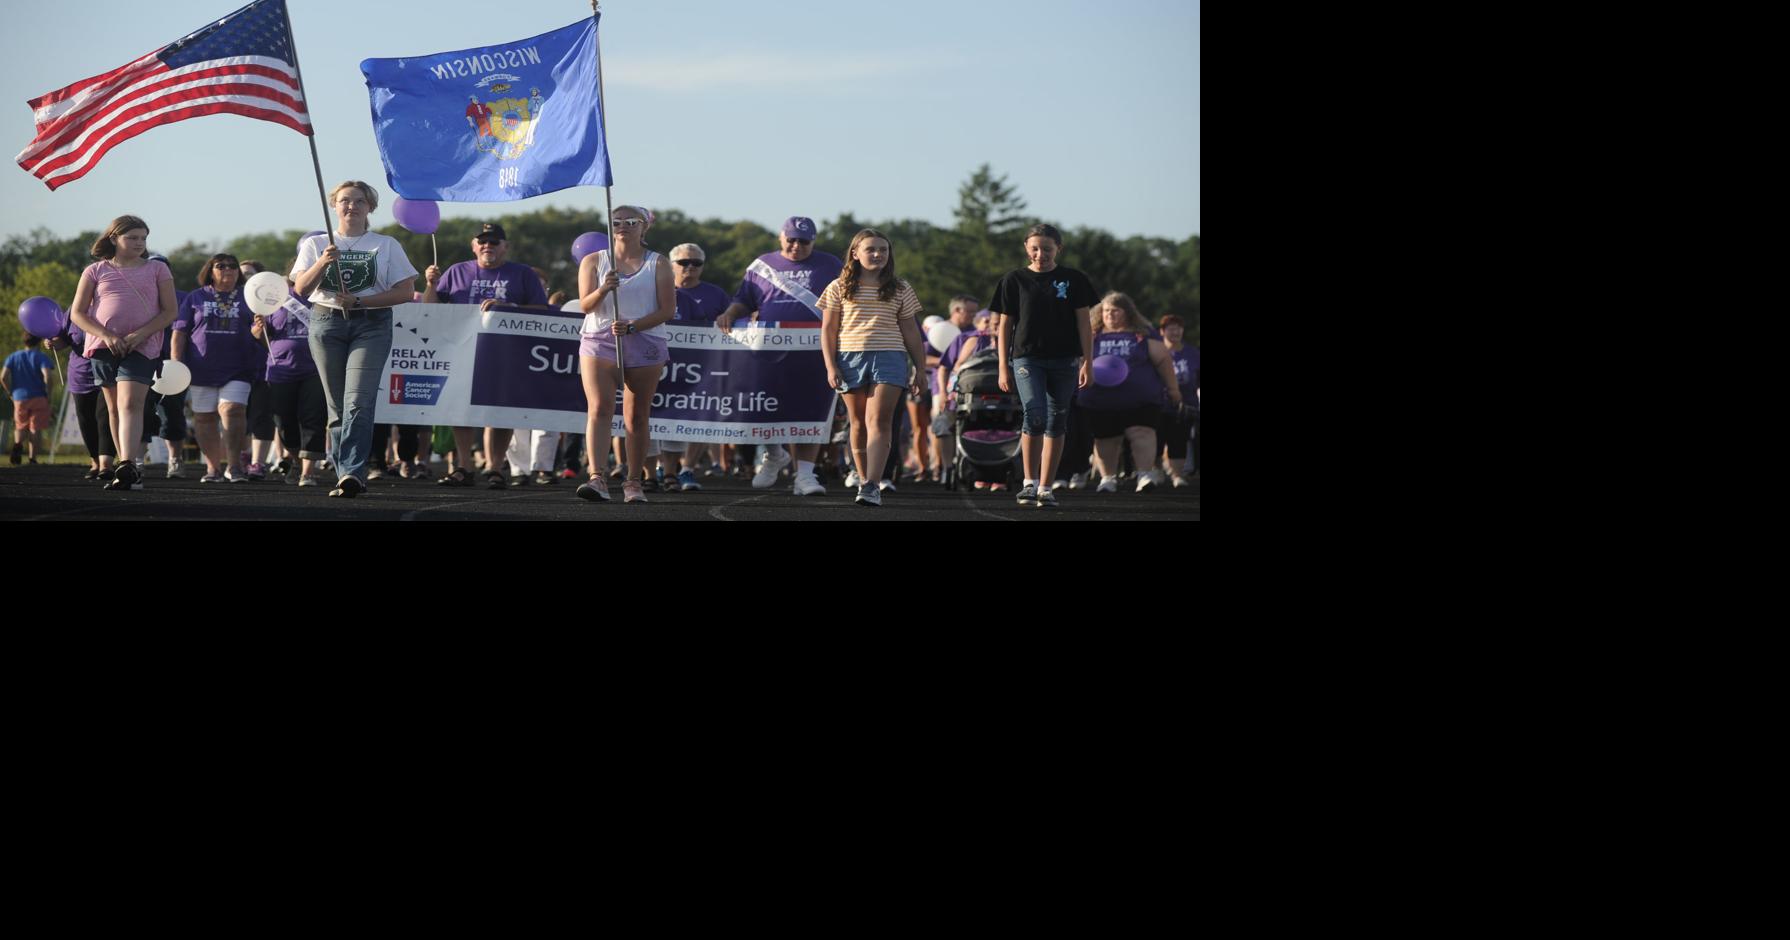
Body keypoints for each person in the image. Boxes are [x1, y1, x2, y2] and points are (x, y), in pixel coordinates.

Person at [292, 181, 419, 498]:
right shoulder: (317, 243)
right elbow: (301, 289)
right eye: (345, 200)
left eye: (359, 201)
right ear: (334, 205)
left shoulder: (386, 244)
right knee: (336, 407)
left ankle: (352, 471)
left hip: (371, 325)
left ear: (370, 207)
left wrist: (361, 301)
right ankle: (344, 473)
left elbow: (405, 291)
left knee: (358, 401)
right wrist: (323, 261)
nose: (352, 206)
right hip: (327, 322)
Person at [715, 216, 840, 496]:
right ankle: (774, 453)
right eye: (791, 239)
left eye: (804, 241)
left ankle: (804, 475)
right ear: (781, 238)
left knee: (809, 411)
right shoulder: (762, 265)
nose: (797, 246)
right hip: (768, 349)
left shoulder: (830, 264)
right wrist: (730, 314)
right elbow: (744, 300)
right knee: (763, 404)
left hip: (814, 349)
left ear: (813, 242)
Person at [422, 222, 551, 488]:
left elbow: (542, 309)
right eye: (482, 241)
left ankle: (495, 468)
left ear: (506, 246)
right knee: (460, 410)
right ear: (473, 246)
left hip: (507, 353)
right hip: (461, 350)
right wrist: (431, 285)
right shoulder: (457, 271)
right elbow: (430, 309)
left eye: (494, 242)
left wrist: (508, 307)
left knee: (500, 411)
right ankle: (464, 467)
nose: (487, 246)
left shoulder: (523, 273)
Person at [66, 215, 179, 491]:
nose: (139, 243)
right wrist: (106, 335)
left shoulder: (157, 269)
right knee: (115, 407)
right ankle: (124, 468)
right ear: (114, 238)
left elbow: (170, 311)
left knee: (130, 403)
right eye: (132, 238)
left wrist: (139, 335)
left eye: (143, 238)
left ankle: (129, 464)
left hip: (142, 346)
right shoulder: (94, 270)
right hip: (103, 346)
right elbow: (78, 313)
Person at [818, 229, 928, 508]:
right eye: (871, 249)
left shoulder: (901, 287)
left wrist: (920, 369)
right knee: (857, 422)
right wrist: (830, 366)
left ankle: (872, 485)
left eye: (883, 249)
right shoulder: (837, 286)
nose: (878, 254)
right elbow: (828, 329)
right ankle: (863, 476)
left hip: (889, 356)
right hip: (849, 357)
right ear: (855, 254)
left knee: (879, 420)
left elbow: (911, 331)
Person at [990, 223, 1096, 509]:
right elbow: (1005, 325)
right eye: (1035, 249)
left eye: (1047, 249)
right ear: (1026, 248)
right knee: (1034, 415)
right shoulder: (1014, 280)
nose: (1040, 254)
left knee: (1056, 421)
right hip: (1027, 358)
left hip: (1065, 359)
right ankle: (1029, 482)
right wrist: (1003, 366)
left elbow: (1084, 324)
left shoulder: (1074, 279)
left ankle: (1046, 488)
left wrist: (1087, 362)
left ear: (1058, 248)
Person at [575, 205, 675, 504]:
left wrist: (633, 326)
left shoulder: (659, 263)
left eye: (631, 221)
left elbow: (667, 310)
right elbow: (585, 306)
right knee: (599, 408)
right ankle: (597, 477)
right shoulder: (594, 261)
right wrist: (604, 288)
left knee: (636, 415)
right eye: (616, 221)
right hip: (599, 338)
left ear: (644, 226)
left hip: (644, 339)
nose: (623, 226)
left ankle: (634, 480)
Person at [1079, 292, 1181, 492]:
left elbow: (1163, 360)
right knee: (1105, 438)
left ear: (1127, 312)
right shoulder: (1091, 335)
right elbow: (1079, 361)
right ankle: (1108, 478)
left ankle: (1144, 474)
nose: (1110, 314)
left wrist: (1173, 389)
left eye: (1115, 310)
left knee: (1142, 433)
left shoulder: (1142, 334)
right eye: (1106, 310)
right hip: (1100, 400)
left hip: (1140, 400)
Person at [173, 254, 259, 482]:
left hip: (239, 367)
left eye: (232, 266)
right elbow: (179, 332)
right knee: (204, 418)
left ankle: (234, 466)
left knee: (233, 410)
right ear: (210, 271)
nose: (228, 269)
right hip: (201, 368)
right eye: (221, 266)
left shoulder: (249, 297)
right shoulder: (195, 297)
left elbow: (259, 332)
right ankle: (213, 468)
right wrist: (175, 363)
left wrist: (259, 330)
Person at [250, 281, 328, 487]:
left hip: (316, 369)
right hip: (281, 369)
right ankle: (296, 460)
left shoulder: (325, 296)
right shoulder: (276, 297)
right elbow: (260, 336)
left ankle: (308, 472)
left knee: (313, 418)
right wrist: (259, 328)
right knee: (283, 422)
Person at [667, 241, 731, 492]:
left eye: (696, 263)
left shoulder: (716, 294)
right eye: (684, 262)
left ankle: (687, 469)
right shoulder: (658, 290)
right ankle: (663, 468)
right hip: (663, 366)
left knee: (702, 417)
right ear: (671, 265)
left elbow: (734, 324)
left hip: (703, 368)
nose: (690, 267)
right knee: (661, 417)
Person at [935, 307, 1006, 491]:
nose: (997, 328)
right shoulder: (970, 339)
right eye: (994, 324)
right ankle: (948, 468)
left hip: (1005, 401)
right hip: (968, 397)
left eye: (1002, 324)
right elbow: (952, 367)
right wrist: (943, 392)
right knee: (943, 422)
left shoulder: (1013, 341)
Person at [49, 321, 115, 479]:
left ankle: (106, 465)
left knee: (105, 417)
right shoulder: (72, 313)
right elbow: (64, 339)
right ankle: (95, 462)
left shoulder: (110, 306)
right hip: (80, 376)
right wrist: (53, 343)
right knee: (86, 420)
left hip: (107, 372)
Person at [237, 260, 283, 479]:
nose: (243, 276)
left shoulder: (274, 301)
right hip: (236, 367)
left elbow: (274, 341)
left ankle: (258, 462)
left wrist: (260, 332)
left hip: (264, 367)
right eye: (242, 273)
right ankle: (243, 454)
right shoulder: (230, 300)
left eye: (249, 273)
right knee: (237, 414)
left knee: (261, 415)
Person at [1159, 314, 1199, 486]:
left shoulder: (1193, 353)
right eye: (1171, 329)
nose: (1175, 332)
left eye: (1178, 328)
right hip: (1159, 404)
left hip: (1185, 405)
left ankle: (1177, 475)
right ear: (1162, 331)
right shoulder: (1156, 351)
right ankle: (1155, 472)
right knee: (1157, 440)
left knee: (1179, 440)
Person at [3, 335, 55, 465]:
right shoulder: (41, 357)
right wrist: (48, 394)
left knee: (20, 426)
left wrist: (10, 392)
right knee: (35, 428)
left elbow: (3, 377)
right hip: (39, 396)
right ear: (38, 342)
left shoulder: (13, 357)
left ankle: (17, 444)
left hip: (19, 397)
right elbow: (48, 376)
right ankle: (32, 458)